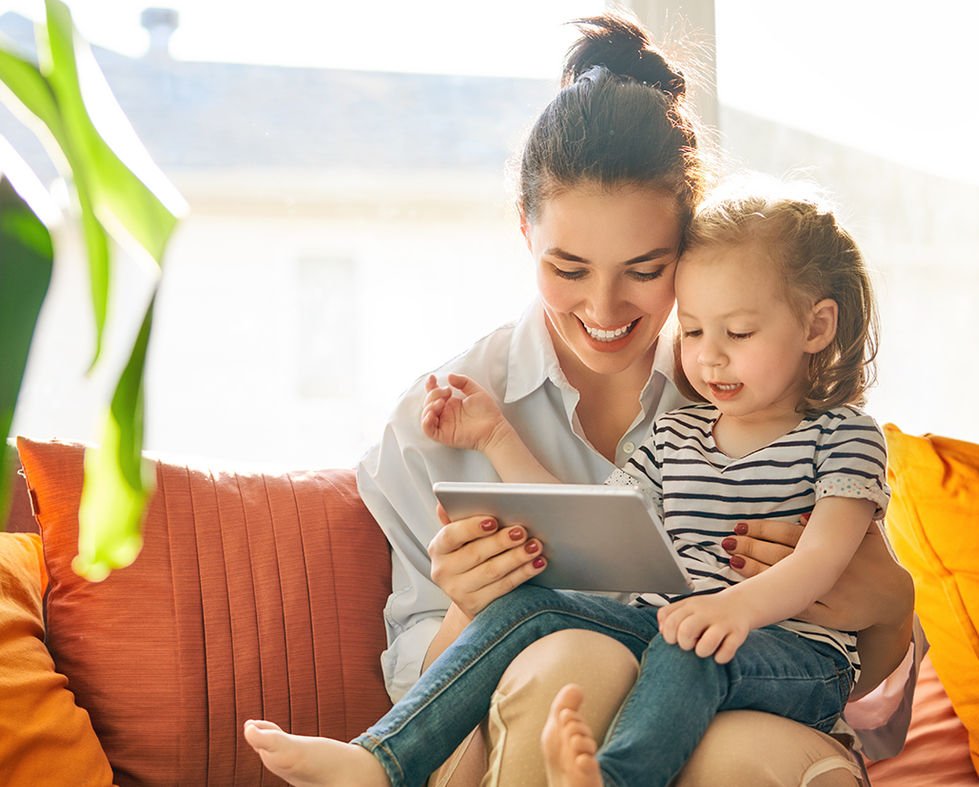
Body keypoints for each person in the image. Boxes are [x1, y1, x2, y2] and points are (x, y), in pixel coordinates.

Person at [245, 12, 920, 787]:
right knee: (574, 657)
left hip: (751, 700)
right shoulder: (437, 422)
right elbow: (430, 678)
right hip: (526, 722)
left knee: (733, 740)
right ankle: (380, 761)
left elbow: (875, 712)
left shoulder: (761, 394)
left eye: (644, 268)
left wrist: (891, 608)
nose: (604, 308)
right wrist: (469, 601)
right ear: (524, 231)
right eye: (569, 267)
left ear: (690, 249)